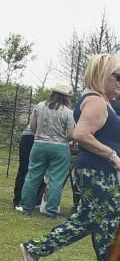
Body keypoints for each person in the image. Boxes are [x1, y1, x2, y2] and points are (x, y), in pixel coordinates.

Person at [20, 54, 120, 261]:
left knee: (101, 220)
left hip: (100, 171)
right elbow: (80, 134)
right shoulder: (96, 101)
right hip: (97, 171)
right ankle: (35, 248)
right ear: (103, 75)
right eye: (118, 76)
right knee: (98, 220)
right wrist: (112, 155)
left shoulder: (100, 100)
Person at [19, 82, 75, 219]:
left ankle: (26, 207)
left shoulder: (39, 106)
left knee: (32, 176)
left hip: (39, 145)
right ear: (67, 97)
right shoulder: (68, 113)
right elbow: (71, 134)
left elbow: (32, 127)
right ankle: (51, 211)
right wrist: (64, 139)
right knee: (56, 179)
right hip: (60, 148)